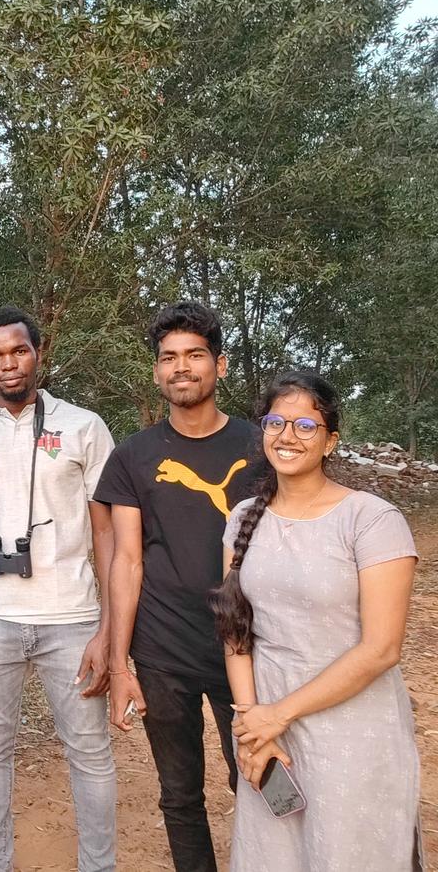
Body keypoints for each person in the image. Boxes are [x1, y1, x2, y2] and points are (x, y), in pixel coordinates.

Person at [210, 371, 421, 872]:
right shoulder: (243, 517)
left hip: (353, 725)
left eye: (306, 424)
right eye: (275, 422)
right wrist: (250, 722)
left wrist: (277, 714)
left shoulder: (371, 520)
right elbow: (235, 630)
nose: (288, 436)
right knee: (275, 853)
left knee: (349, 852)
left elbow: (381, 649)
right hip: (268, 725)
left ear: (331, 440)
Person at [0, 306, 117, 872]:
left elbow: (107, 531)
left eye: (19, 351)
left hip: (73, 618)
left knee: (89, 753)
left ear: (39, 353)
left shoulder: (84, 426)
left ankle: (98, 866)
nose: (8, 364)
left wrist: (110, 630)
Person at [92, 301, 257, 872]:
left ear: (221, 365)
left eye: (194, 355)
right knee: (180, 796)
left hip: (250, 648)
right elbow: (126, 562)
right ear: (157, 371)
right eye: (169, 358)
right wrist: (119, 667)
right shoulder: (133, 457)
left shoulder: (262, 448)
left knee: (259, 781)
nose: (181, 367)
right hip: (163, 653)